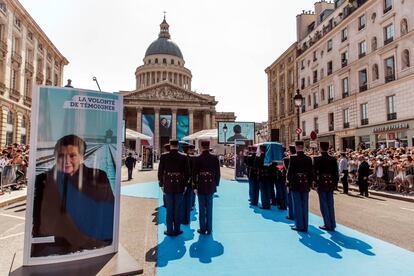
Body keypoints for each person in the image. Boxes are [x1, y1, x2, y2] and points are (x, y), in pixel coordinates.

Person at [32, 134, 114, 257]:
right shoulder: (42, 181)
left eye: (72, 156)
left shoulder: (98, 177)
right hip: (54, 250)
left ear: (82, 157)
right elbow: (38, 221)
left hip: (91, 247)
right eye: (61, 156)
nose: (66, 161)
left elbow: (108, 215)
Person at [158, 139, 188, 236]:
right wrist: (186, 185)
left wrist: (161, 184)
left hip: (168, 185)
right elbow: (187, 173)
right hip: (180, 185)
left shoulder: (164, 156)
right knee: (178, 208)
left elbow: (160, 172)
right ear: (178, 146)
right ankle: (177, 229)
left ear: (170, 145)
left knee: (169, 209)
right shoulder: (183, 156)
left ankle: (170, 230)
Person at [193, 140, 220, 235]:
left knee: (201, 209)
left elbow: (194, 174)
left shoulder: (197, 158)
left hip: (200, 185)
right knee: (209, 208)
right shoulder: (214, 158)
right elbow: (218, 173)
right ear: (208, 147)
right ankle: (209, 229)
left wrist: (194, 187)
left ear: (201, 147)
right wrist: (215, 184)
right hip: (211, 185)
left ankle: (203, 228)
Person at [287, 141, 313, 232]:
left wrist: (288, 182)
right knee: (305, 205)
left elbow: (289, 172)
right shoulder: (309, 158)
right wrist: (310, 184)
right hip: (305, 183)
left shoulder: (293, 158)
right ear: (303, 147)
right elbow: (311, 173)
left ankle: (299, 225)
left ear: (296, 147)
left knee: (297, 205)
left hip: (296, 184)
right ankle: (305, 225)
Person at [313, 142, 339, 231]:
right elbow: (336, 173)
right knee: (330, 204)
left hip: (322, 182)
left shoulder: (317, 159)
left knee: (324, 204)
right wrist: (335, 184)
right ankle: (332, 223)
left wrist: (315, 184)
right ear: (328, 148)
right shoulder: (333, 159)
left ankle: (327, 224)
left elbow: (314, 173)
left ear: (320, 148)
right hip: (331, 182)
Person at [181, 144, 195, 225]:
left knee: (183, 202)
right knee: (188, 201)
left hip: (183, 182)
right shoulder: (193, 158)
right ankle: (187, 219)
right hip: (190, 182)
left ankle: (183, 219)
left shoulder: (182, 158)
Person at [256, 145, 271, 209]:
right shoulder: (268, 157)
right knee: (268, 190)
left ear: (261, 150)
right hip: (268, 175)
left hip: (262, 175)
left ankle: (264, 205)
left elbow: (256, 166)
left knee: (263, 191)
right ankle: (268, 204)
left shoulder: (259, 157)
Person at [284, 145, 296, 220]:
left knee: (291, 200)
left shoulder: (287, 159)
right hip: (299, 182)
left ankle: (291, 215)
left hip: (290, 181)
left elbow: (286, 170)